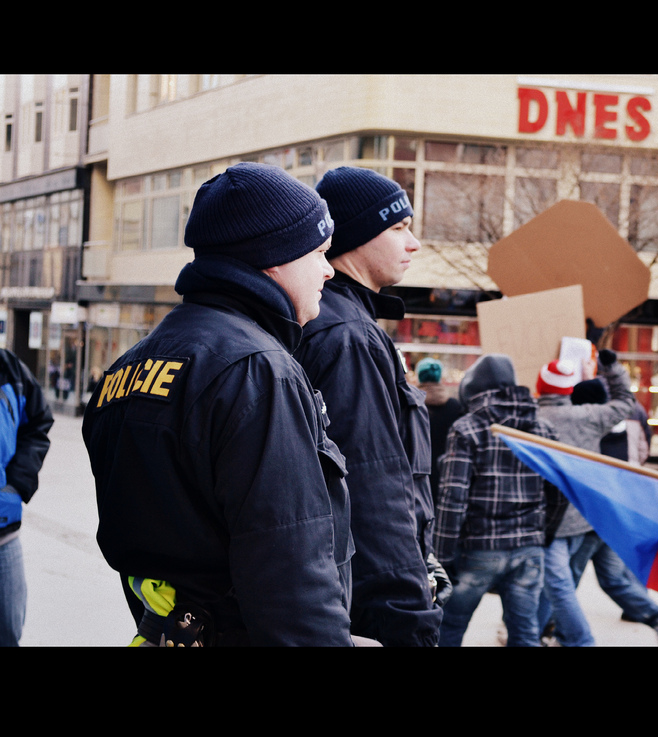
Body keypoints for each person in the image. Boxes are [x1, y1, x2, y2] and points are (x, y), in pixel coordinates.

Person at [82, 162, 356, 646]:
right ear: (273, 258)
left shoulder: (126, 368)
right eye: (318, 252)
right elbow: (289, 568)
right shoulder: (257, 369)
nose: (329, 270)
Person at [294, 166, 446, 647]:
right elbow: (373, 481)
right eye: (399, 228)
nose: (414, 242)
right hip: (369, 598)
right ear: (356, 237)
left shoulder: (339, 320)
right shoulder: (348, 335)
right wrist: (406, 610)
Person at [435, 354, 565, 646]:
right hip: (529, 547)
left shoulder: (467, 428)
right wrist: (544, 534)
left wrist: (441, 556)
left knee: (450, 627)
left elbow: (452, 498)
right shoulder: (542, 430)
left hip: (479, 547)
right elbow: (558, 492)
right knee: (524, 633)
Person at [535, 349, 635, 646]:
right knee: (561, 582)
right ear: (569, 388)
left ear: (540, 387)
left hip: (543, 518)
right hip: (581, 516)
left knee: (555, 584)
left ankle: (575, 639)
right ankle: (552, 634)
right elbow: (625, 402)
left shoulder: (532, 417)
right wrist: (612, 368)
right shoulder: (590, 416)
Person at [568, 378, 658, 647]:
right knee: (613, 578)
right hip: (614, 515)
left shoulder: (591, 430)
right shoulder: (620, 425)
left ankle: (562, 633)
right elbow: (641, 453)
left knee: (565, 580)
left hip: (591, 518)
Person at [0, 350, 53, 647]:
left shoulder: (9, 369)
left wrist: (16, 485)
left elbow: (38, 422)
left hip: (4, 538)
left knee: (8, 634)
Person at [416, 357, 465, 509]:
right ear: (440, 377)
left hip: (418, 476)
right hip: (448, 475)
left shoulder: (412, 407)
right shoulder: (455, 406)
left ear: (419, 377)